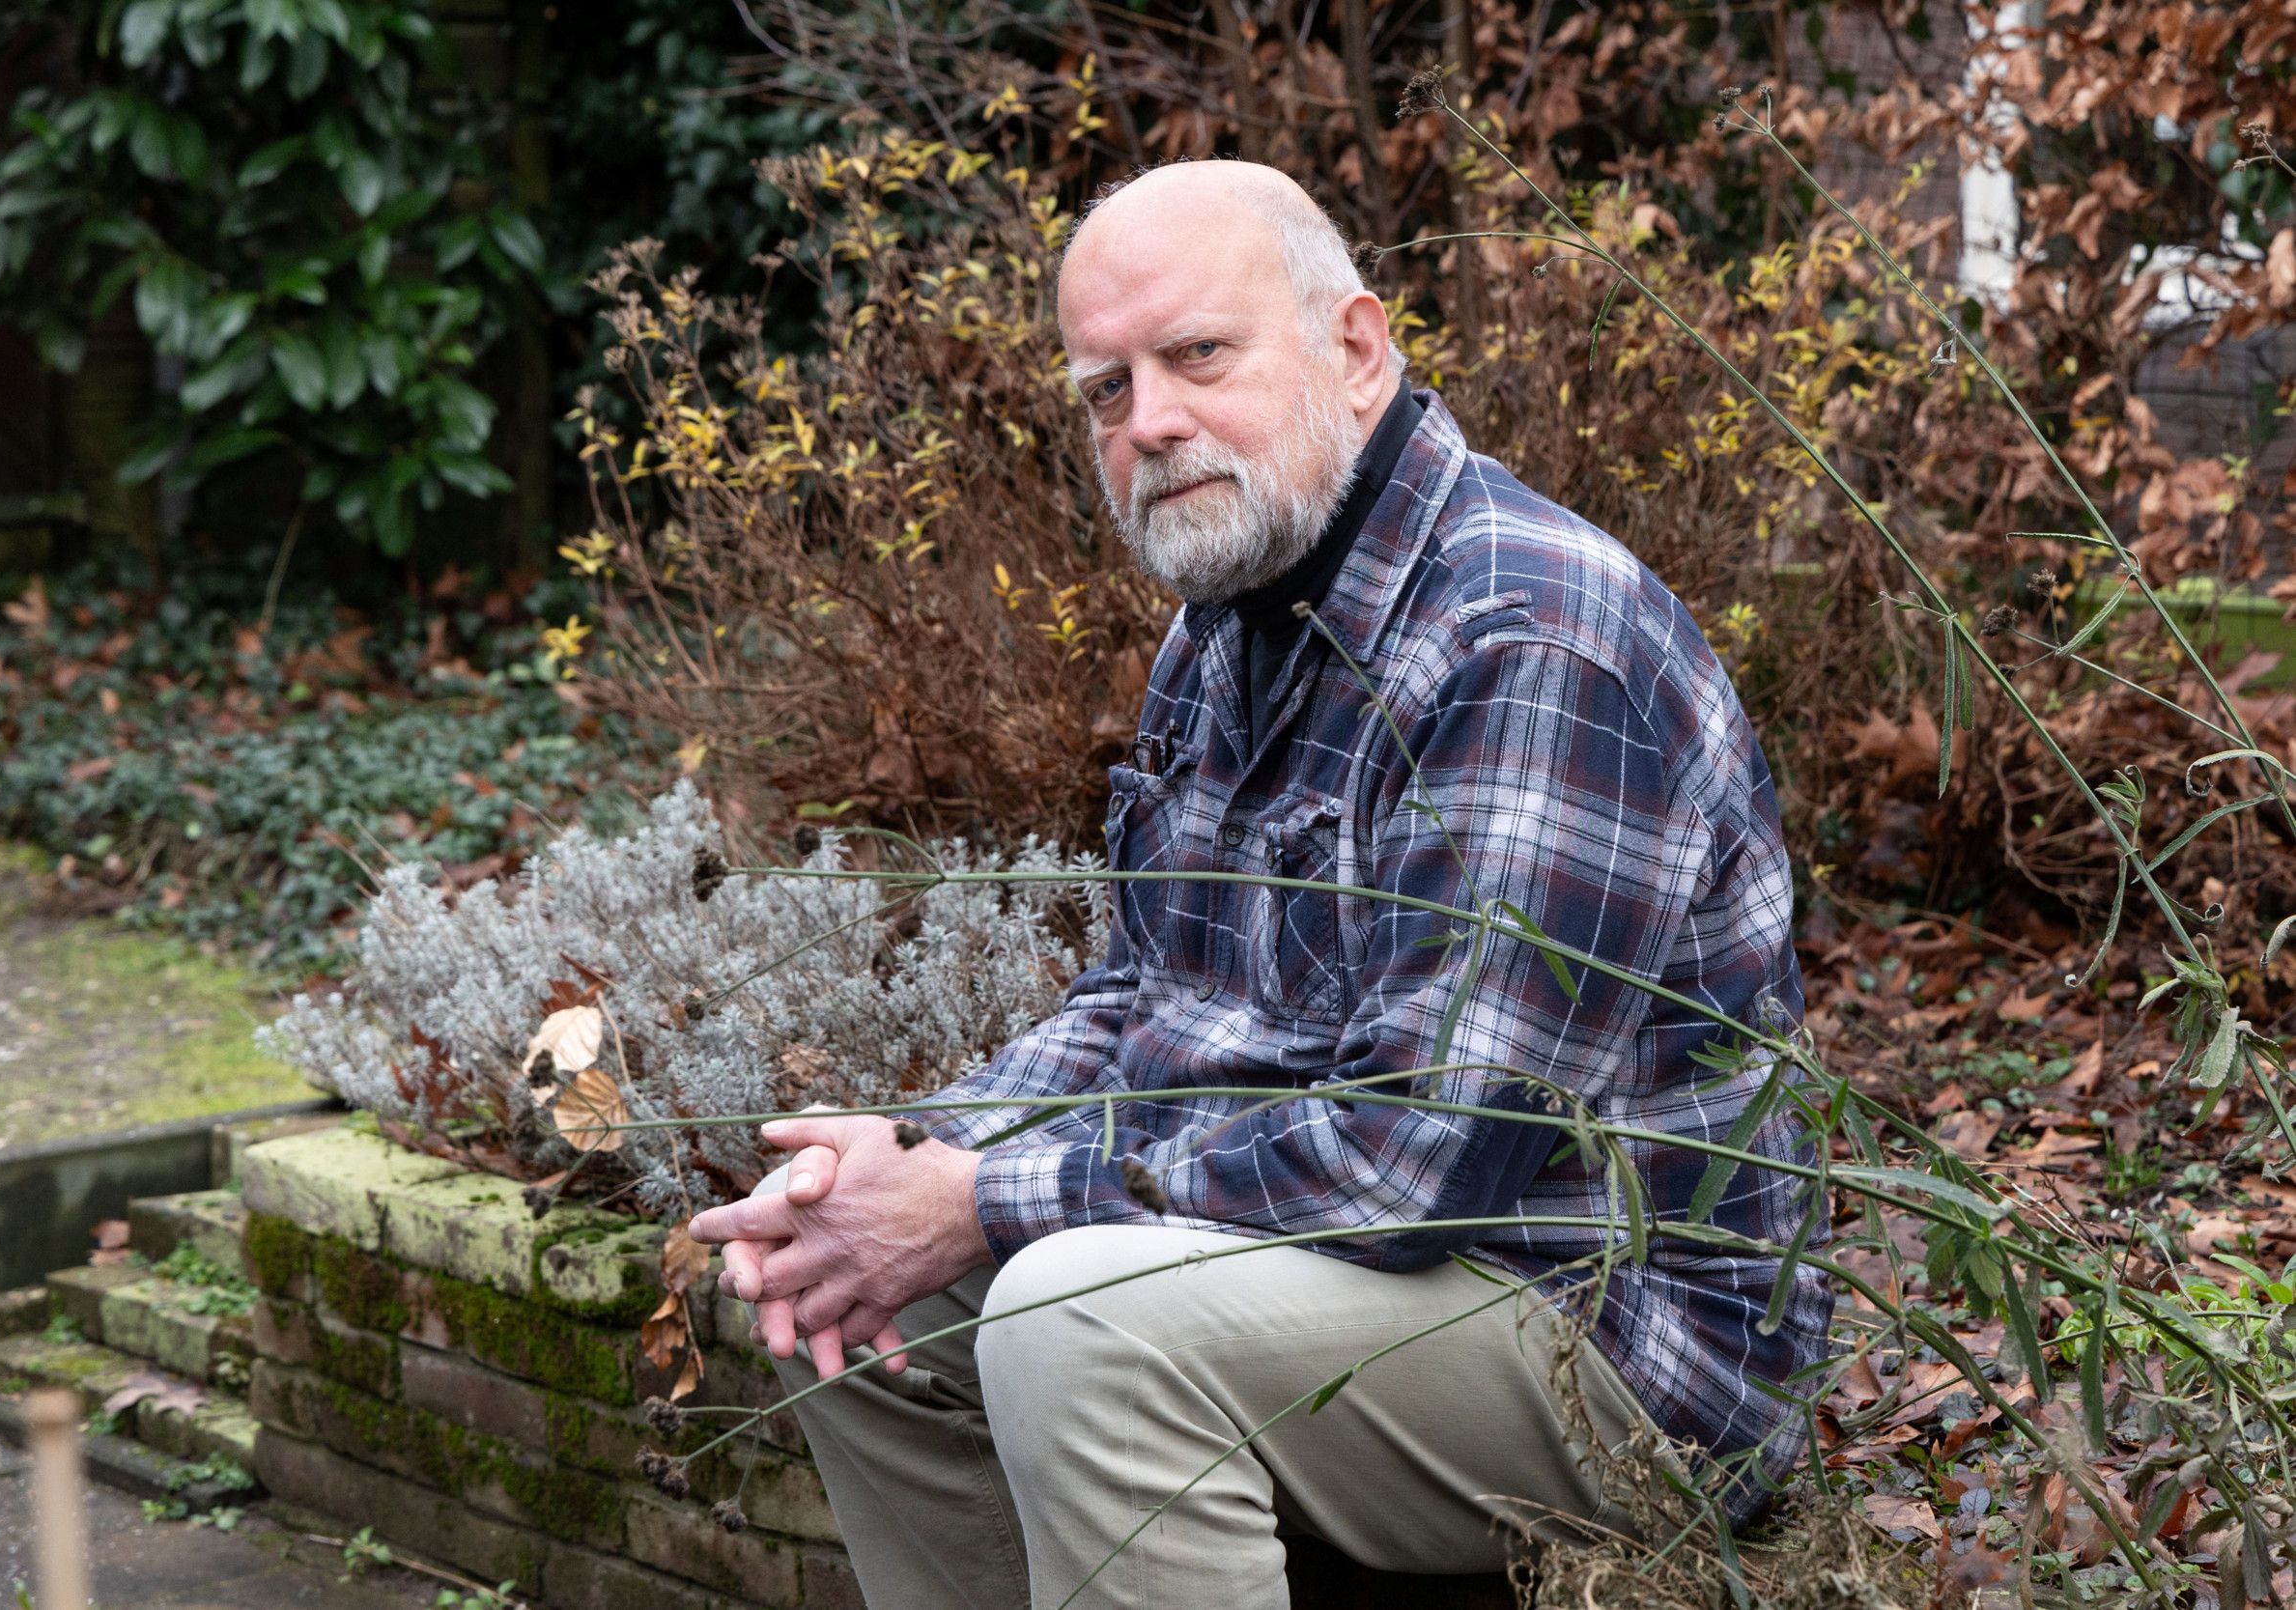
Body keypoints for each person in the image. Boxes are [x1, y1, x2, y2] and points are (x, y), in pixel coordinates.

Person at [687, 157, 1829, 1610]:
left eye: (1200, 356)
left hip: (1616, 1339)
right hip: (1391, 1278)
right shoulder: (1231, 621)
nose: (1151, 422)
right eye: (1106, 390)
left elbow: (1422, 1162)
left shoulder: (1525, 641)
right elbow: (1146, 1003)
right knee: (849, 1303)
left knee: (1070, 1320)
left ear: (1356, 351)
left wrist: (987, 1201)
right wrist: (912, 1162)